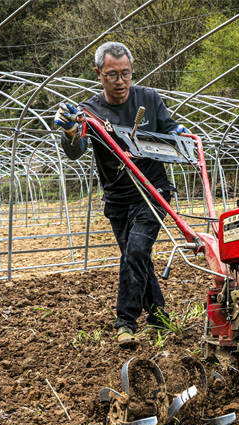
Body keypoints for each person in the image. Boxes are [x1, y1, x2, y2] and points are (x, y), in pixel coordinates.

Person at [53, 41, 189, 348]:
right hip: (117, 199)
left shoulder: (149, 99)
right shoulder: (90, 111)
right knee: (137, 259)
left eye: (125, 74)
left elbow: (170, 128)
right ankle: (159, 319)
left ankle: (125, 322)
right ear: (98, 74)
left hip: (152, 191)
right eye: (112, 74)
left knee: (136, 253)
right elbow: (76, 151)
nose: (120, 82)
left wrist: (178, 132)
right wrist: (71, 132)